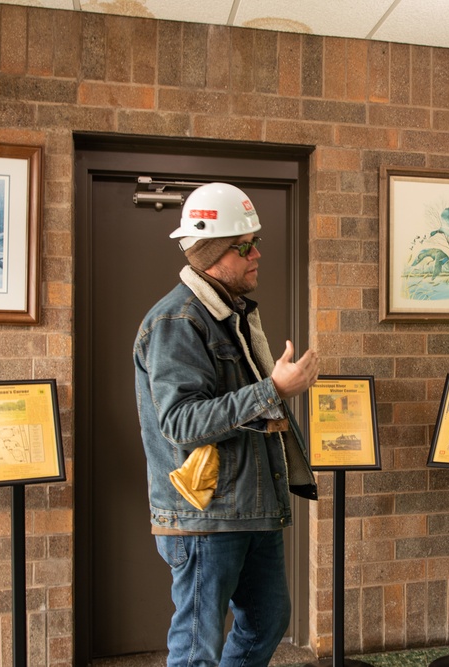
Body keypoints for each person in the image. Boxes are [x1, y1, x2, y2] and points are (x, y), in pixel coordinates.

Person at [133, 182, 319, 667]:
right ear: (212, 255)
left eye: (255, 242)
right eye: (244, 246)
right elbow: (179, 422)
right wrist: (273, 390)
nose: (257, 254)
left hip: (252, 506)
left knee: (268, 618)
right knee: (197, 648)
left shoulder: (229, 314)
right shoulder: (177, 321)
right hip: (205, 516)